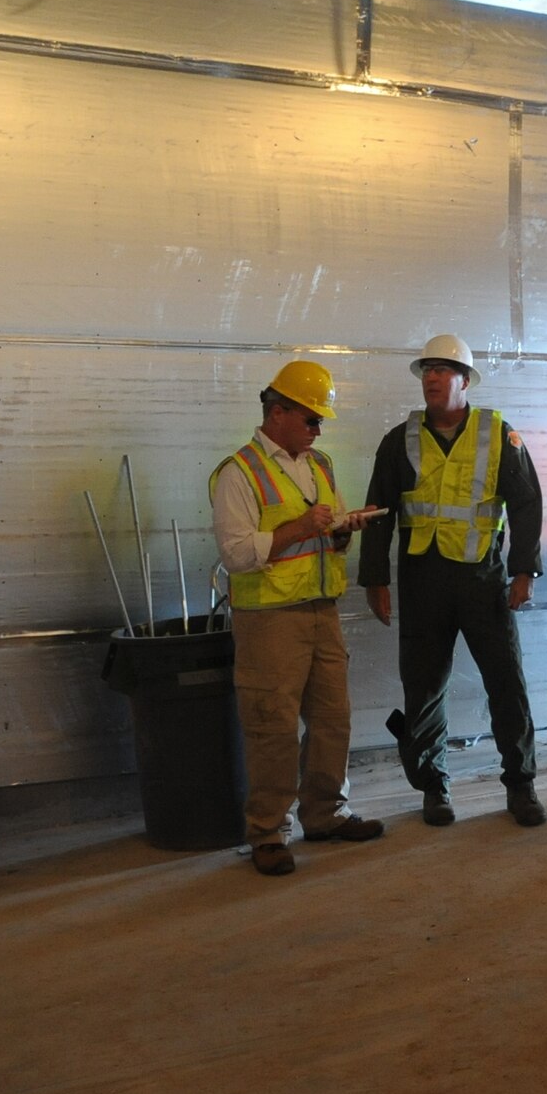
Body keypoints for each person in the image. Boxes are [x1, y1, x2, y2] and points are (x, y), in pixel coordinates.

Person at [360, 334, 547, 829]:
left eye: (443, 370)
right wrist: (375, 580)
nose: (432, 378)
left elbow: (527, 503)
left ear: (465, 381)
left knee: (506, 682)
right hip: (422, 580)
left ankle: (521, 783)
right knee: (422, 687)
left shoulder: (498, 434)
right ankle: (433, 787)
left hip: (483, 579)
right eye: (427, 371)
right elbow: (378, 512)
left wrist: (524, 570)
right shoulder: (399, 439)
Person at [210, 361, 385, 877]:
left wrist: (343, 530)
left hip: (321, 610)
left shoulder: (319, 465)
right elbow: (237, 554)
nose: (318, 430)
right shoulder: (238, 473)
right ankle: (268, 832)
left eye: (320, 420)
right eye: (311, 419)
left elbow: (325, 532)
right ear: (277, 413)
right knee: (273, 727)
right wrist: (300, 527)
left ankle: (325, 813)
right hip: (270, 619)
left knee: (333, 719)